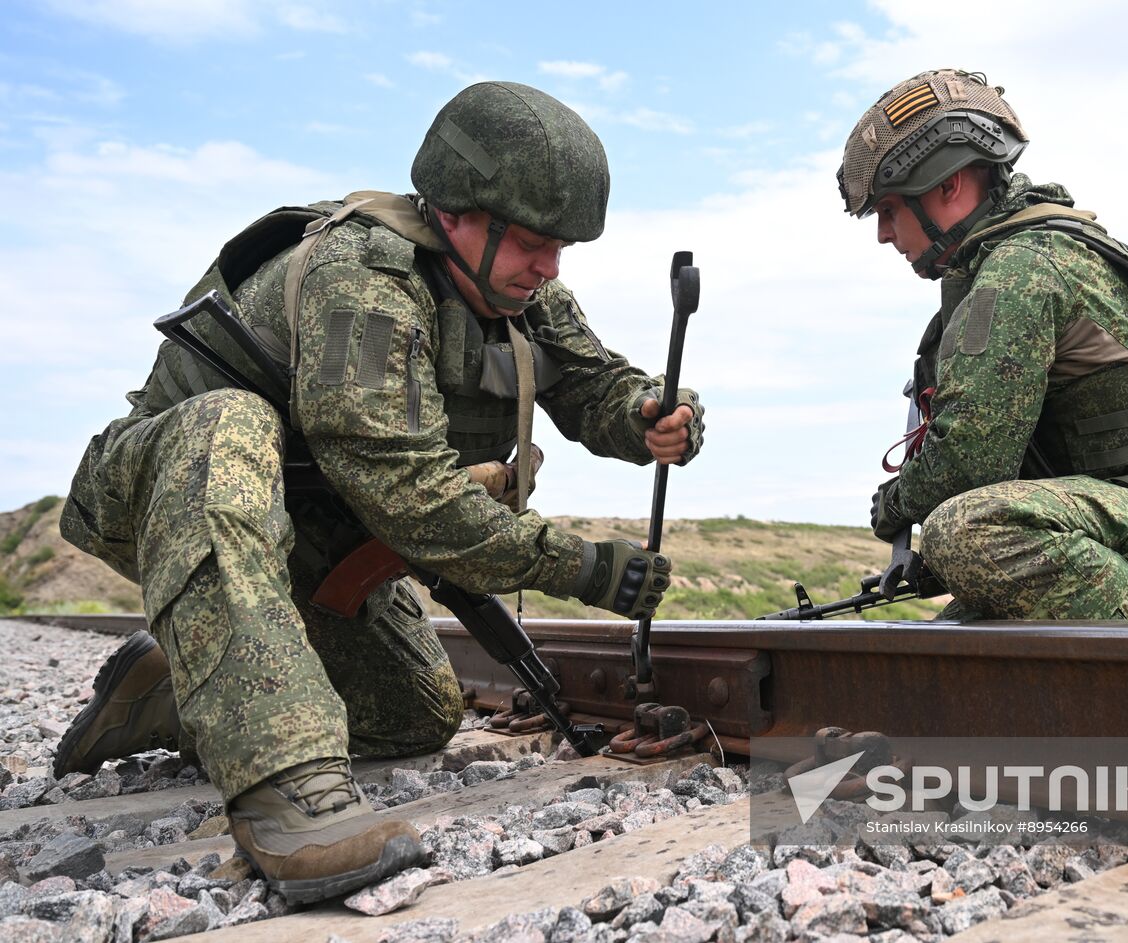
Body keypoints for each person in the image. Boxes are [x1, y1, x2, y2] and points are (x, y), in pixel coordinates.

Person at [54, 81, 704, 903]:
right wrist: (579, 565)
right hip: (175, 496)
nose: (549, 266)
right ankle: (287, 791)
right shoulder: (362, 279)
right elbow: (411, 495)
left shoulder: (520, 295)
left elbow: (593, 383)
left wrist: (650, 414)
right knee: (229, 424)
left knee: (416, 713)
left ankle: (171, 684)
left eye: (562, 249)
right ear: (457, 213)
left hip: (307, 536)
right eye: (534, 243)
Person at [838, 69, 1128, 621]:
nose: (883, 234)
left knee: (965, 533)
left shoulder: (1023, 269)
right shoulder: (1029, 254)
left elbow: (969, 462)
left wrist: (894, 504)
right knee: (957, 635)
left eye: (890, 209)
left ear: (949, 185)